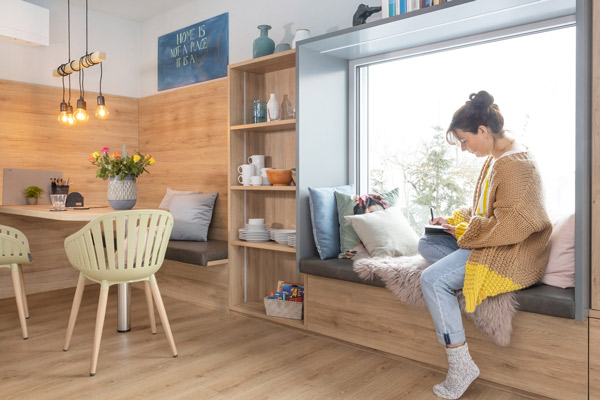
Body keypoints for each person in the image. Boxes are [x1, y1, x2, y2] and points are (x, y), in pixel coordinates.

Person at [418, 91, 552, 399]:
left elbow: (510, 226)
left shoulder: (515, 166)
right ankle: (457, 269)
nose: (465, 149)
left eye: (465, 141)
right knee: (427, 242)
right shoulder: (495, 158)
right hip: (491, 242)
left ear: (482, 130)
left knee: (432, 278)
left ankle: (461, 364)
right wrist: (452, 222)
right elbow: (483, 210)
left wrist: (464, 231)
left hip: (511, 252)